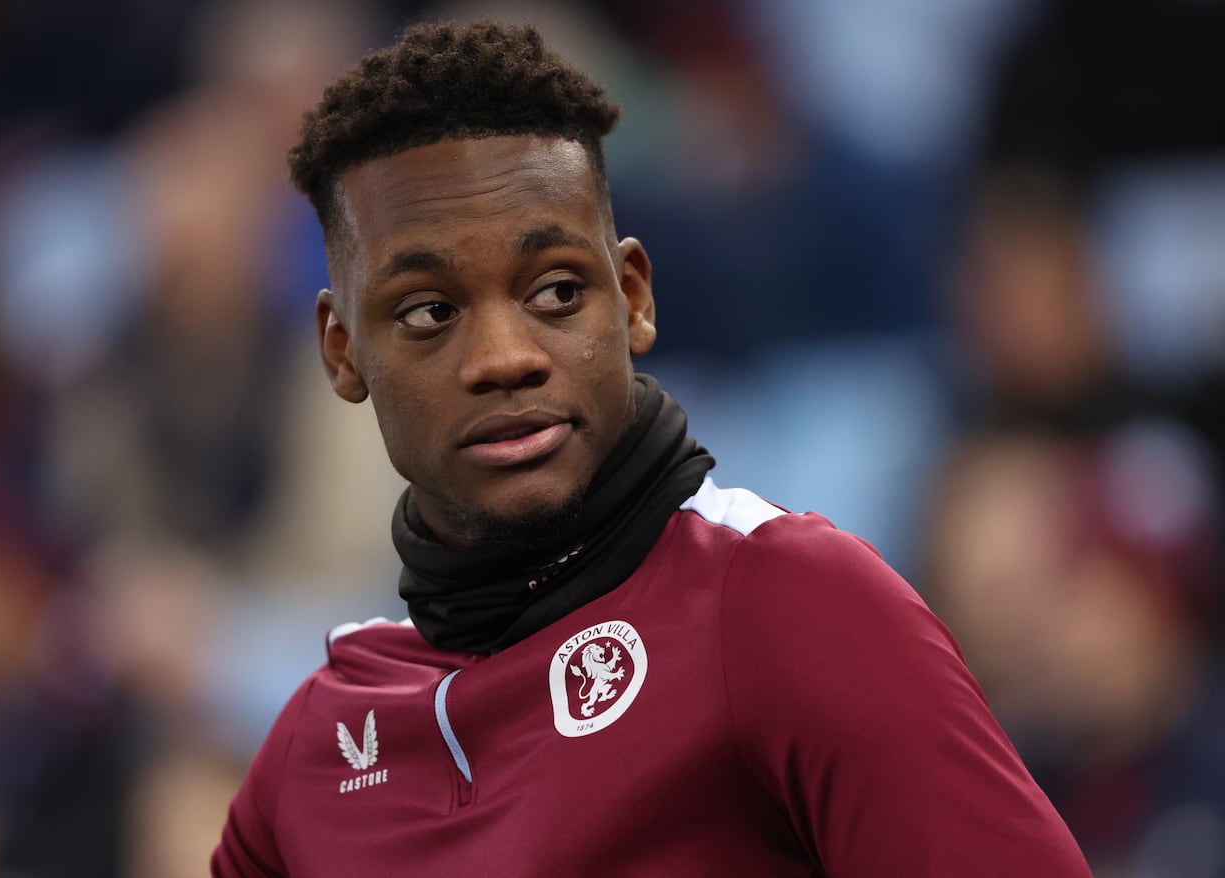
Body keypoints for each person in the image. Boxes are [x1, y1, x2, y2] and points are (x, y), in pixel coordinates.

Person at [212, 20, 1091, 876]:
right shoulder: (317, 745)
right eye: (429, 312)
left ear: (631, 297)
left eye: (556, 290)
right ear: (342, 350)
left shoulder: (788, 603)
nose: (504, 359)